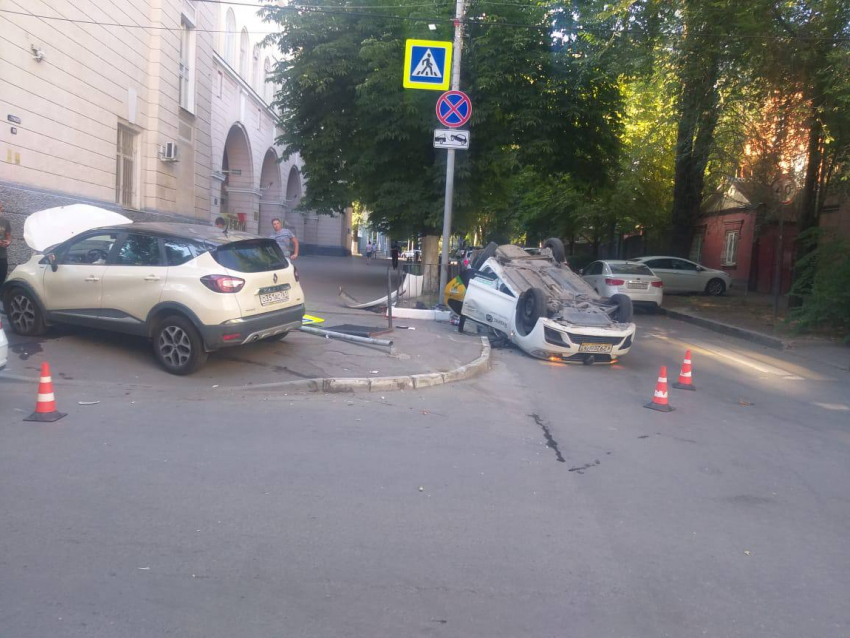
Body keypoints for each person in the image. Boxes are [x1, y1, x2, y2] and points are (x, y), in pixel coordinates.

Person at [0, 203, 11, 286]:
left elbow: (8, 236)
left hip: (2, 256)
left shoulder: (5, 222)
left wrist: (8, 242)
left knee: (2, 278)